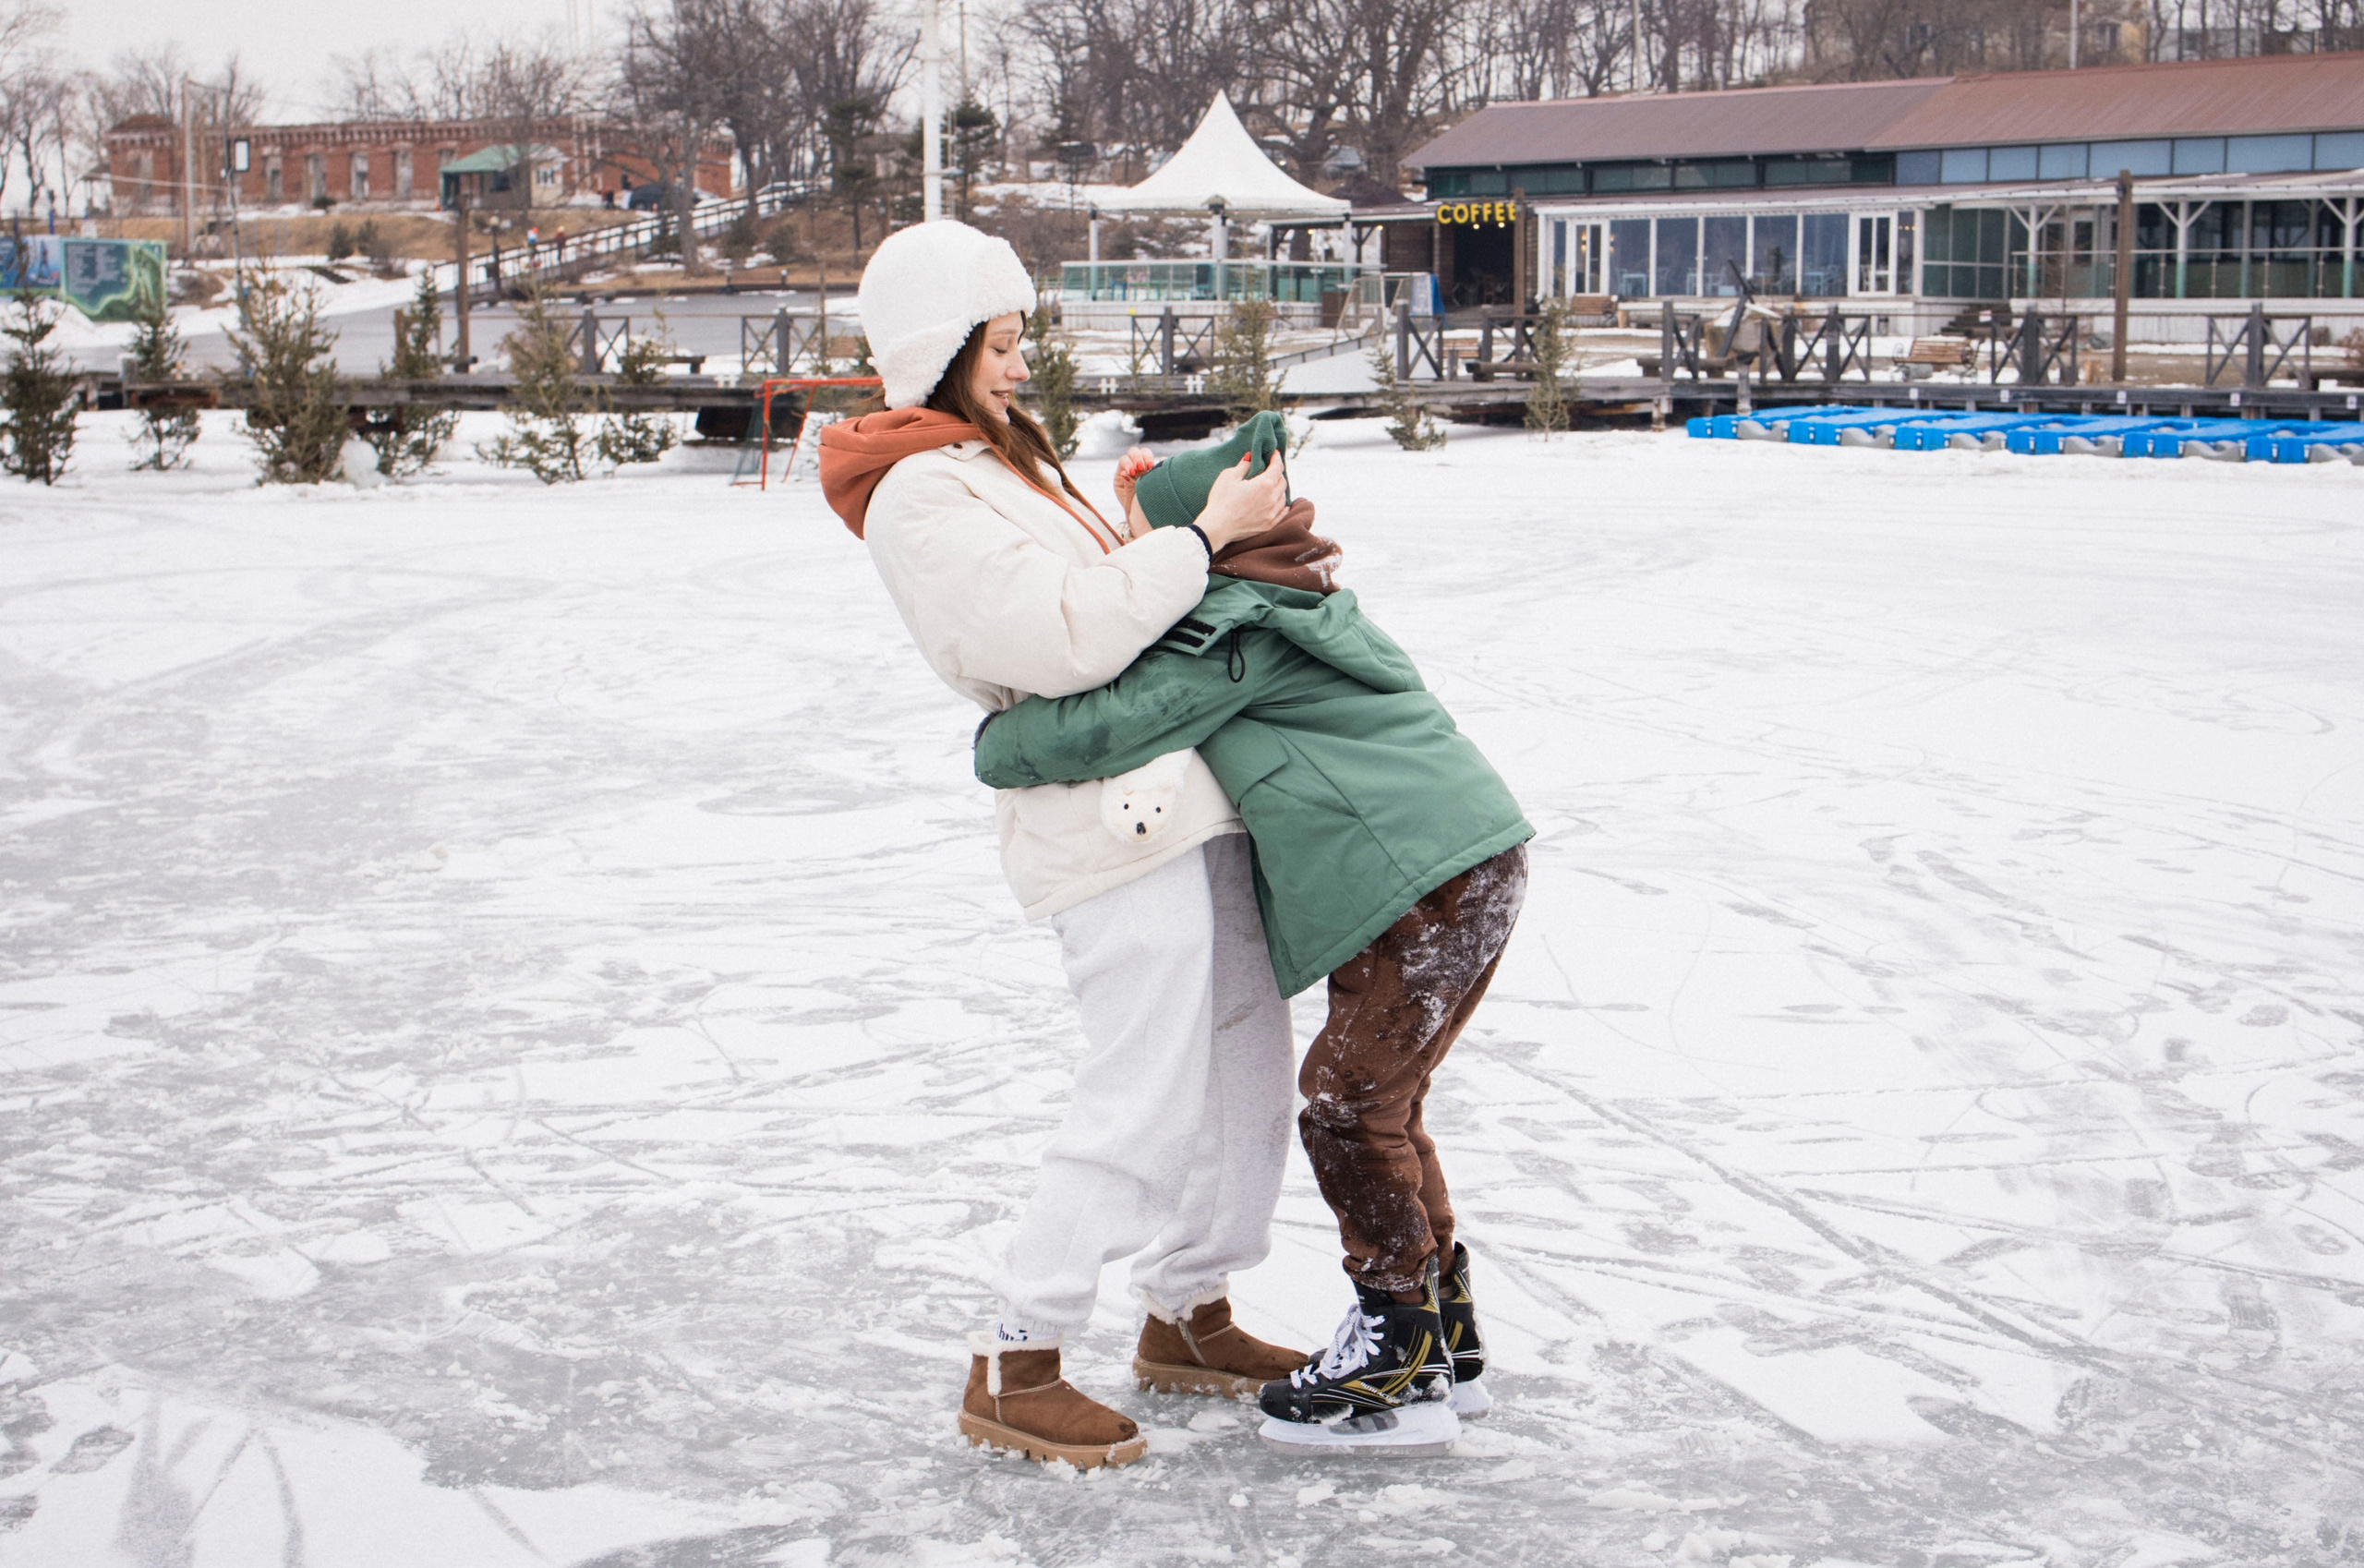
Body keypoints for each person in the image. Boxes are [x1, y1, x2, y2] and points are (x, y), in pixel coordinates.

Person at [814, 221, 1309, 1471]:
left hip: (1176, 793)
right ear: (938, 346)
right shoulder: (922, 492)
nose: (1024, 361)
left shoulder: (999, 463)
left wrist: (1147, 522)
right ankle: (1017, 1352)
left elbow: (1101, 600)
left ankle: (1189, 1307)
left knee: (1246, 1068)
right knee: (1145, 1084)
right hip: (1099, 818)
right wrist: (1198, 541)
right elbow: (1060, 640)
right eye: (1001, 340)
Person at [972, 412, 1533, 1455]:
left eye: (1146, 540)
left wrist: (1001, 738)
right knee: (1386, 1106)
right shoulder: (1295, 597)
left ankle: (1395, 1350)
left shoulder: (1236, 630)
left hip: (1426, 882)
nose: (1136, 560)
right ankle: (1440, 1337)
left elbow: (1110, 722)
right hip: (1464, 865)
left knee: (1346, 1109)